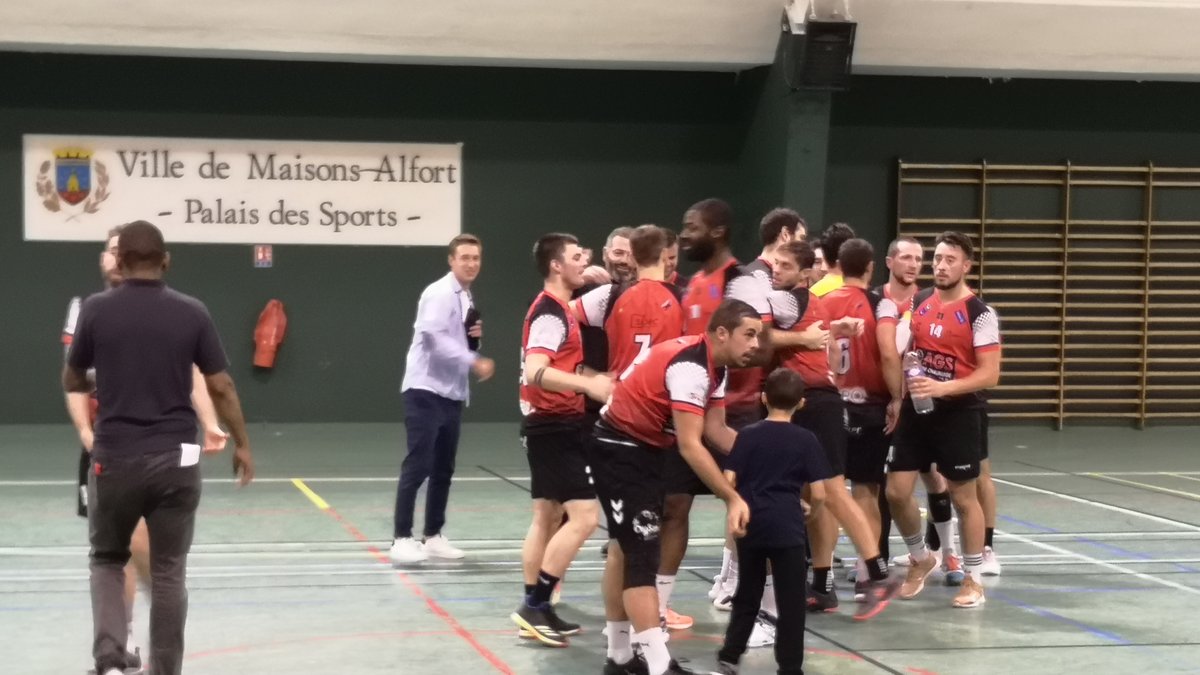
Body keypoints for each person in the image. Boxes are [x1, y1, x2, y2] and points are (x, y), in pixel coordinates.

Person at [63, 221, 253, 675]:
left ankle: (110, 660)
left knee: (107, 558)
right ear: (166, 261)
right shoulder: (192, 312)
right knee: (168, 571)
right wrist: (242, 444)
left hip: (114, 459)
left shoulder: (96, 310)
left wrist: (105, 380)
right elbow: (221, 385)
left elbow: (73, 377)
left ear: (120, 260)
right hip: (176, 461)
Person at [591, 299, 757, 675]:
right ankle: (658, 664)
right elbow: (690, 445)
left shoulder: (715, 367)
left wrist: (763, 457)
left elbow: (717, 431)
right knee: (640, 557)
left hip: (642, 449)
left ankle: (619, 658)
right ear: (722, 333)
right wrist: (731, 497)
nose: (755, 344)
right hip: (620, 449)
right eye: (748, 334)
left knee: (623, 550)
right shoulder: (691, 368)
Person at [767, 239, 899, 619]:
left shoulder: (786, 300)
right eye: (775, 264)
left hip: (818, 402)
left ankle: (878, 573)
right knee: (818, 495)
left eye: (785, 266)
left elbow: (760, 333)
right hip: (809, 402)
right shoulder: (815, 303)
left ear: (806, 273)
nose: (776, 270)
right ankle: (822, 584)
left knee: (836, 492)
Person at [670, 198, 772, 632]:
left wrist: (731, 371)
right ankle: (662, 598)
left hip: (736, 411)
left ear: (717, 232)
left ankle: (734, 580)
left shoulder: (740, 281)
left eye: (692, 227)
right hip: (692, 406)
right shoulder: (694, 282)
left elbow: (763, 345)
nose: (684, 234)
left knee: (742, 498)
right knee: (674, 504)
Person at [884, 231, 1001, 609]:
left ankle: (973, 578)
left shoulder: (979, 314)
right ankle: (921, 557)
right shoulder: (919, 301)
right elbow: (911, 349)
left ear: (966, 266)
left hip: (959, 412)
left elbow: (990, 375)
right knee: (896, 491)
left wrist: (943, 387)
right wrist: (908, 378)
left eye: (950, 260)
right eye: (937, 258)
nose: (941, 265)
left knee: (964, 497)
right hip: (918, 409)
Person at [510, 233, 613, 647]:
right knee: (585, 518)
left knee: (546, 516)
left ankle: (537, 608)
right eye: (576, 256)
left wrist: (601, 380)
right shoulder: (550, 313)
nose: (584, 260)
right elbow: (536, 370)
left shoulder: (560, 309)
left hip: (548, 425)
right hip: (554, 426)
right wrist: (588, 387)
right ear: (556, 265)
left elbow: (563, 365)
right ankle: (534, 605)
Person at [713, 368, 830, 675]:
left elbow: (728, 479)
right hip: (788, 527)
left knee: (747, 594)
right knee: (791, 602)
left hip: (752, 524)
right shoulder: (807, 439)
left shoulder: (747, 435)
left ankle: (730, 655)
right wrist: (811, 512)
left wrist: (736, 505)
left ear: (764, 398)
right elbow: (819, 492)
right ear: (801, 403)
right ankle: (789, 667)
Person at [390, 234, 496, 564]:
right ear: (451, 260)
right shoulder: (438, 293)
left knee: (443, 468)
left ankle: (433, 536)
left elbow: (456, 340)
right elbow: (434, 340)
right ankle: (401, 538)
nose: (471, 263)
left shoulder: (465, 296)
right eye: (465, 257)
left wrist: (474, 342)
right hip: (425, 389)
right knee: (418, 464)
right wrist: (473, 360)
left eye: (476, 258)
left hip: (451, 392)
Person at [821, 239, 918, 599]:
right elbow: (889, 354)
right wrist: (897, 398)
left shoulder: (822, 302)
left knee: (828, 493)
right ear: (871, 267)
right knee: (866, 490)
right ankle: (867, 576)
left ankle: (823, 575)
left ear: (838, 265)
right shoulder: (880, 304)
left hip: (831, 406)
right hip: (870, 407)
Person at [875, 238, 964, 585]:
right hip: (883, 401)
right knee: (886, 484)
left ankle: (949, 553)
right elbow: (886, 351)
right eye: (906, 257)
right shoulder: (877, 299)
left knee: (934, 476)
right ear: (889, 261)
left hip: (921, 403)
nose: (914, 264)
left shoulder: (928, 300)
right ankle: (882, 558)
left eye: (919, 259)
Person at [571, 225, 686, 378]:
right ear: (665, 255)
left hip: (619, 389)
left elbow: (557, 313)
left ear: (632, 258)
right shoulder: (685, 299)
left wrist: (584, 373)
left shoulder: (609, 295)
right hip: (665, 390)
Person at [808, 222, 855, 297]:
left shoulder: (811, 295)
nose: (822, 268)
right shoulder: (861, 292)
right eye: (817, 262)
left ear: (824, 254)